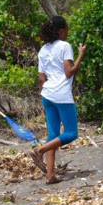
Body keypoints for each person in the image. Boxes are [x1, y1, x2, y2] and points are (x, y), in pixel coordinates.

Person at [28, 16, 85, 184]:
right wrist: (81, 55)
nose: (67, 33)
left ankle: (50, 175)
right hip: (62, 95)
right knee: (71, 133)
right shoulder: (65, 46)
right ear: (61, 31)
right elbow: (69, 72)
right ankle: (40, 150)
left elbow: (41, 78)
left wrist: (43, 97)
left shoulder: (43, 49)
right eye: (67, 30)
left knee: (53, 135)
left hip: (47, 95)